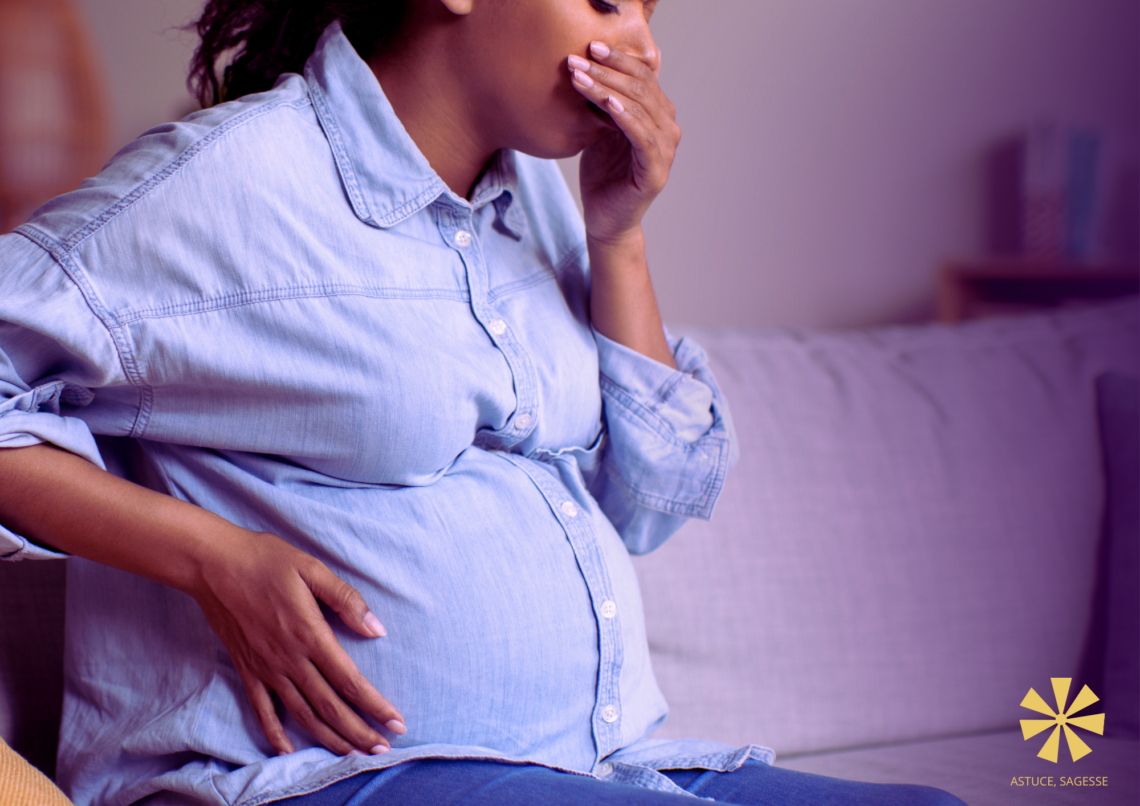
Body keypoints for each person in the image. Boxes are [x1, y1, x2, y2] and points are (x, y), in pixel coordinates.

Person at [0, 1, 967, 804]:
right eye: (605, 0)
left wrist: (618, 238)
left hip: (594, 769)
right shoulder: (226, 185)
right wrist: (213, 557)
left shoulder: (538, 199)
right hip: (314, 780)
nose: (645, 44)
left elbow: (652, 506)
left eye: (648, 9)